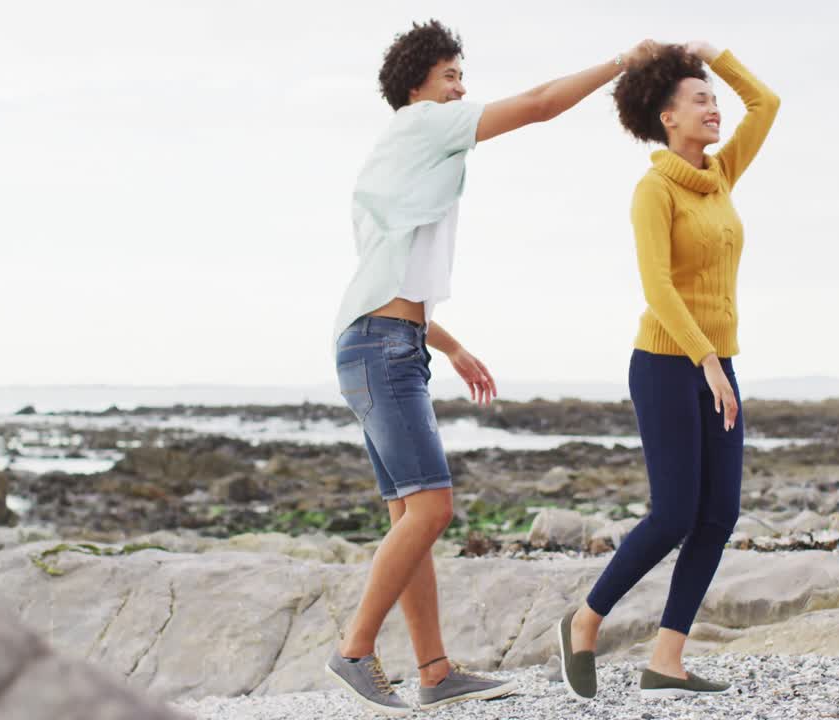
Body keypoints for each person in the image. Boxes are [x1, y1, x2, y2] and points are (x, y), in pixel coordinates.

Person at [326, 19, 659, 716]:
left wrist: (446, 345)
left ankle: (435, 671)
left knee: (408, 516)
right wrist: (621, 62)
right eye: (451, 75)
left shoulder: (393, 158)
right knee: (433, 508)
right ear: (418, 84)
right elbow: (539, 105)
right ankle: (355, 648)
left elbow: (385, 278)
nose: (461, 88)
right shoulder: (424, 124)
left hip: (380, 342)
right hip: (383, 346)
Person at [555, 40, 780, 701]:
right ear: (666, 115)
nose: (715, 108)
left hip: (717, 366)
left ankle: (667, 660)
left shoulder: (719, 175)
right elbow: (657, 285)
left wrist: (719, 57)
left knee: (719, 515)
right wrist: (704, 359)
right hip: (664, 364)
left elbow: (766, 103)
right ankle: (585, 622)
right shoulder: (654, 190)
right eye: (701, 99)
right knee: (675, 512)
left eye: (714, 99)